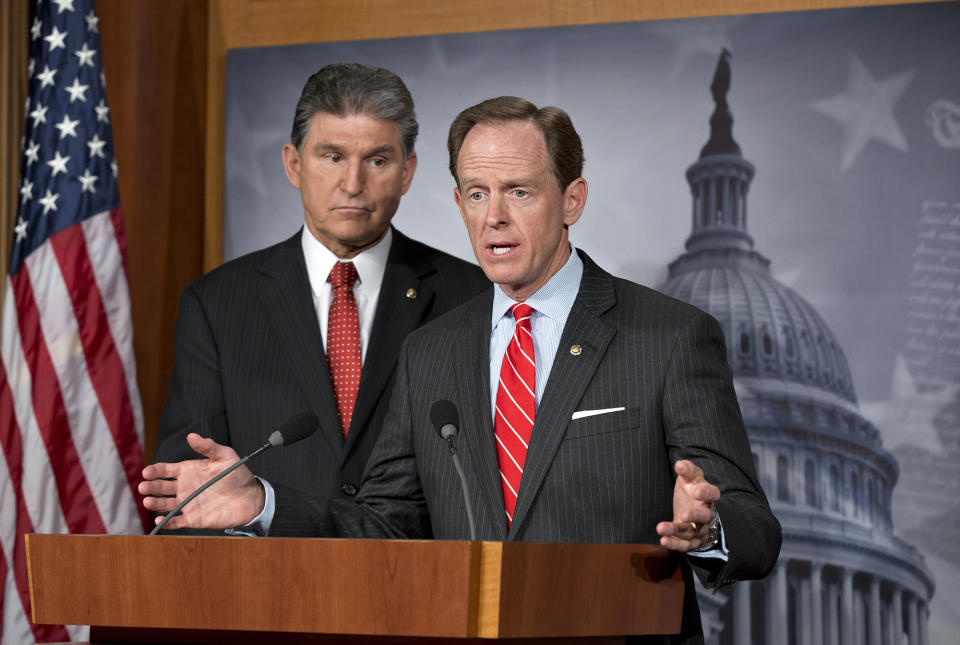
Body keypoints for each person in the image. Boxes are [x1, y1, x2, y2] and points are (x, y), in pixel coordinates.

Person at [143, 97, 781, 642]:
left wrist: (707, 529)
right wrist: (265, 503)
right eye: (477, 194)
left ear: (573, 200)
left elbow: (757, 528)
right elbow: (388, 524)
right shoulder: (432, 352)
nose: (493, 216)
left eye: (519, 192)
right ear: (457, 201)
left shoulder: (669, 336)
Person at [152, 63, 488, 510]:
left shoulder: (472, 295)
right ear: (294, 164)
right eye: (332, 157)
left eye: (377, 160)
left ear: (407, 172)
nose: (353, 184)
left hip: (423, 571)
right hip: (266, 572)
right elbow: (189, 491)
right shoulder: (216, 305)